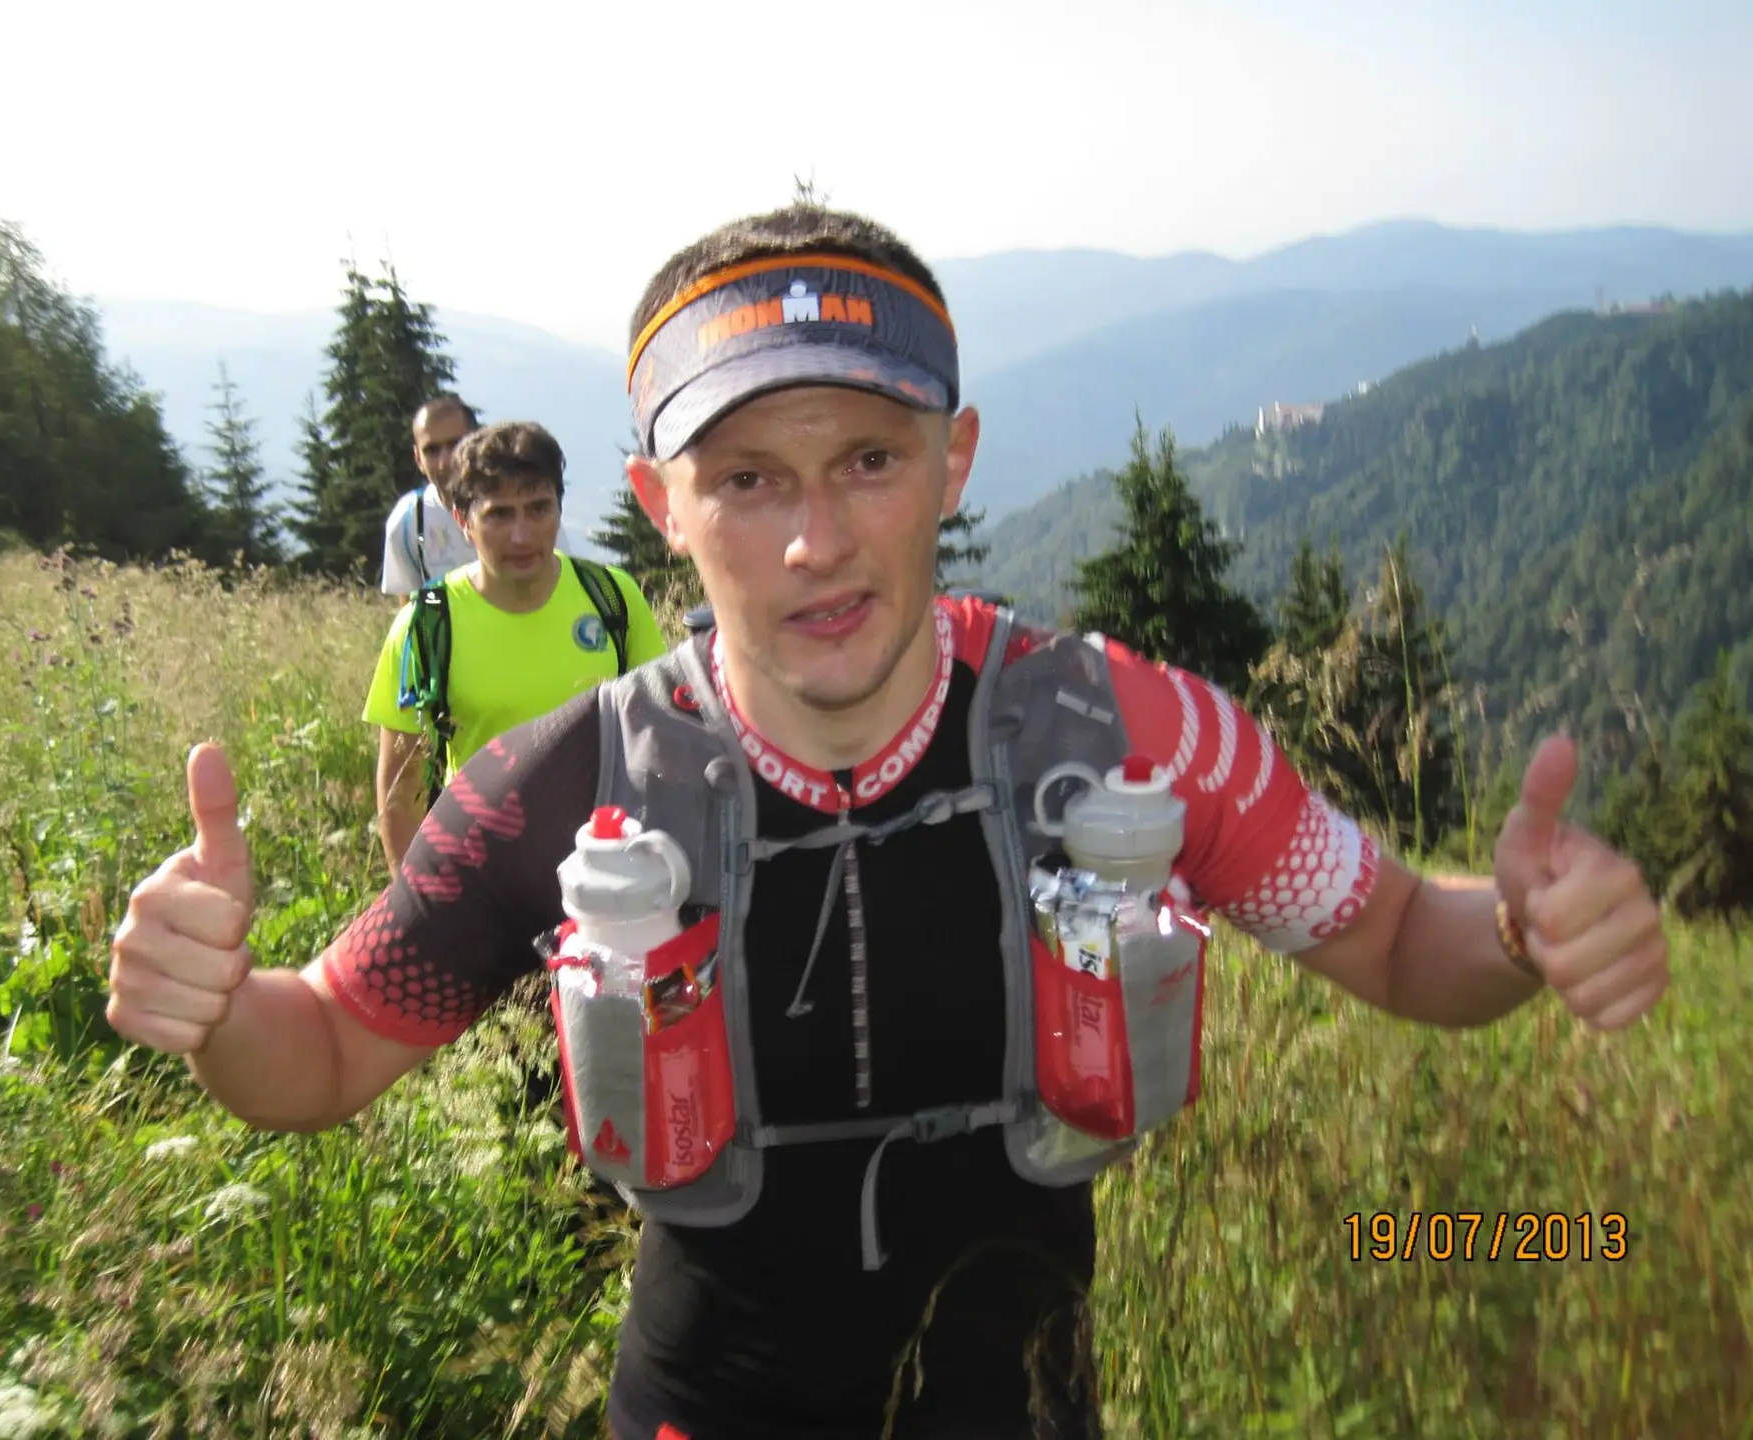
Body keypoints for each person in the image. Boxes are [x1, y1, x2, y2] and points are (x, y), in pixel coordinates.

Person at [106, 205, 1671, 1440]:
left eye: (869, 459)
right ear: (661, 504)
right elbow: (321, 1053)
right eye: (746, 479)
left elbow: (1398, 944)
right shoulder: (560, 783)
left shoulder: (1121, 731)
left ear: (954, 461)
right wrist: (216, 1005)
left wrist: (1518, 928)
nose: (816, 539)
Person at [362, 418, 668, 878]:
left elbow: (661, 739)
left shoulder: (612, 598)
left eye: (539, 509)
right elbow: (401, 787)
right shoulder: (426, 624)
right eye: (499, 515)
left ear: (559, 508)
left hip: (606, 868)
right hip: (479, 875)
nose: (522, 535)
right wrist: (413, 902)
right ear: (463, 522)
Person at [380, 393, 485, 598]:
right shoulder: (408, 520)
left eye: (455, 445)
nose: (444, 462)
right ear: (418, 459)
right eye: (432, 450)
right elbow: (411, 608)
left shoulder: (518, 507)